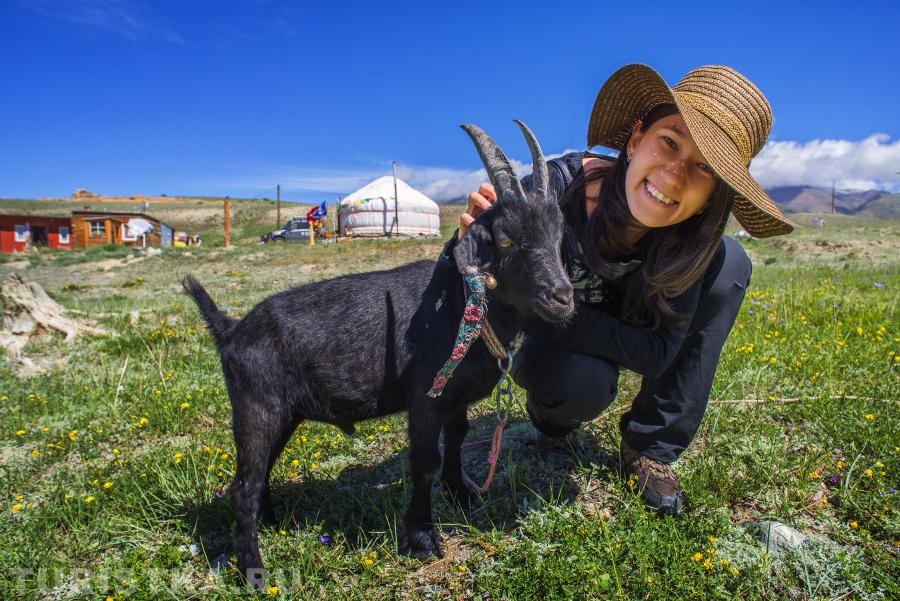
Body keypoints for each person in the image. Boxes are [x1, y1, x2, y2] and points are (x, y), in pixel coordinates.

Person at [456, 64, 794, 515]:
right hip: (563, 351)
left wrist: (551, 309)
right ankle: (554, 418)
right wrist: (470, 250)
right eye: (669, 142)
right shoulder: (551, 194)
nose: (674, 174)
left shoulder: (694, 243)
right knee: (580, 382)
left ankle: (651, 447)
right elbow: (484, 301)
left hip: (582, 323)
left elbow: (656, 356)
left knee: (730, 260)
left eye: (705, 167)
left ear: (716, 191)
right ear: (635, 139)